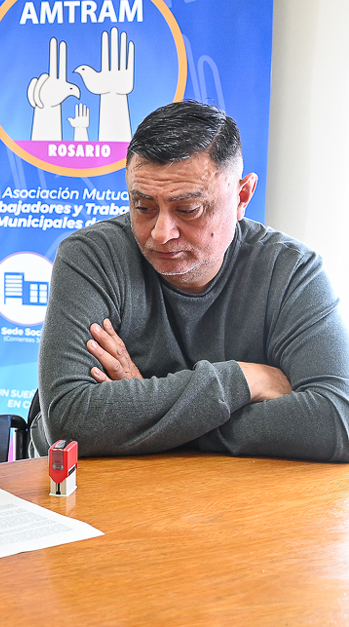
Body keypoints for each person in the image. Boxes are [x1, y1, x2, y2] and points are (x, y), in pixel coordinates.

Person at [31, 100, 349, 461]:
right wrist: (246, 379)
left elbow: (338, 420)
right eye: (143, 206)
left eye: (188, 209)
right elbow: (69, 420)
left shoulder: (291, 271)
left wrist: (152, 419)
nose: (161, 232)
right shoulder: (92, 257)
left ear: (242, 196)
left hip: (227, 490)